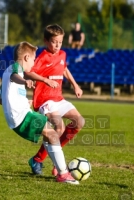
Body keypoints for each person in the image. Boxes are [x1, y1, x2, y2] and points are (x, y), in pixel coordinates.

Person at [0, 41, 79, 184]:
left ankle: (43, 163)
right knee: (53, 134)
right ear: (26, 57)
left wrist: (23, 101)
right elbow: (16, 76)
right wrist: (24, 82)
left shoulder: (7, 71)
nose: (33, 63)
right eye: (33, 59)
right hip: (21, 117)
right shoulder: (16, 69)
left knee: (50, 134)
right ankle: (63, 173)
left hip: (21, 115)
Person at [24, 24, 85, 176]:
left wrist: (75, 85)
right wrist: (44, 80)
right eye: (54, 42)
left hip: (58, 98)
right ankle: (51, 163)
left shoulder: (63, 54)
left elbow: (64, 69)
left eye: (60, 42)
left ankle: (41, 158)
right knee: (59, 129)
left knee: (80, 122)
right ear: (46, 41)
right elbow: (29, 73)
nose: (57, 45)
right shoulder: (43, 57)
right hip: (45, 100)